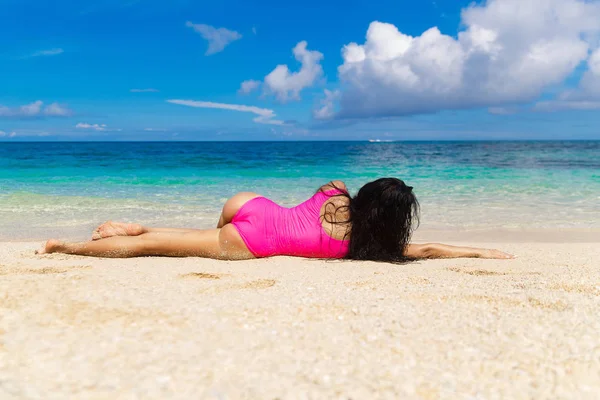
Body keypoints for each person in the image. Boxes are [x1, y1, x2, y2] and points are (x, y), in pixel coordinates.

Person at [37, 178, 514, 261]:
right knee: (152, 252)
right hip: (253, 243)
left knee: (178, 237)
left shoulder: (337, 191)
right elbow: (428, 250)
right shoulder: (369, 247)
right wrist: (481, 251)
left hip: (251, 205)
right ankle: (64, 247)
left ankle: (141, 224)